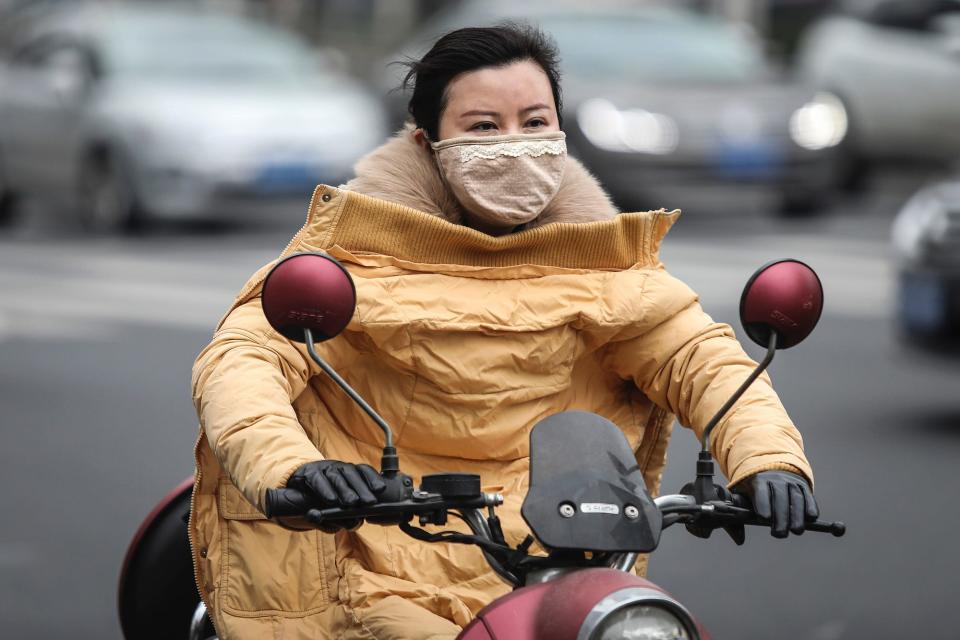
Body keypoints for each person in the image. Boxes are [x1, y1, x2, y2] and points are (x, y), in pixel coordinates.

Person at [189, 24, 819, 640]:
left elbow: (700, 359)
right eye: (483, 127)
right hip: (372, 565)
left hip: (558, 569)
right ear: (426, 141)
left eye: (535, 122)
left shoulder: (607, 268)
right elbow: (241, 363)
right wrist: (294, 469)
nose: (514, 144)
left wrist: (767, 460)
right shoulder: (345, 263)